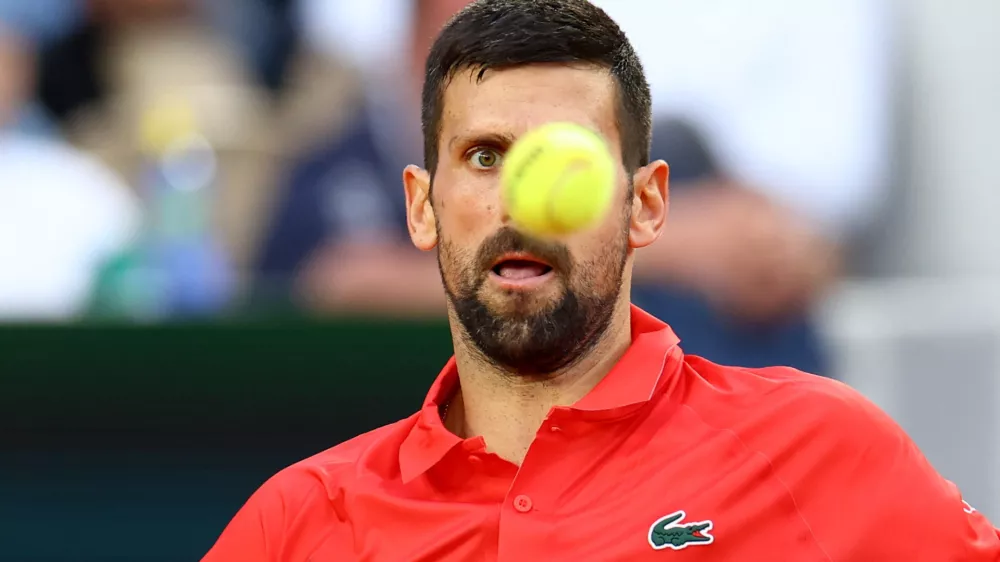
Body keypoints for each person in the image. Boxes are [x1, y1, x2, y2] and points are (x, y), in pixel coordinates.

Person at [204, 1, 1000, 560]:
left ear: (646, 204)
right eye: (485, 156)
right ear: (421, 206)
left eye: (563, 159)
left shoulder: (818, 448)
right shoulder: (300, 519)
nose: (522, 201)